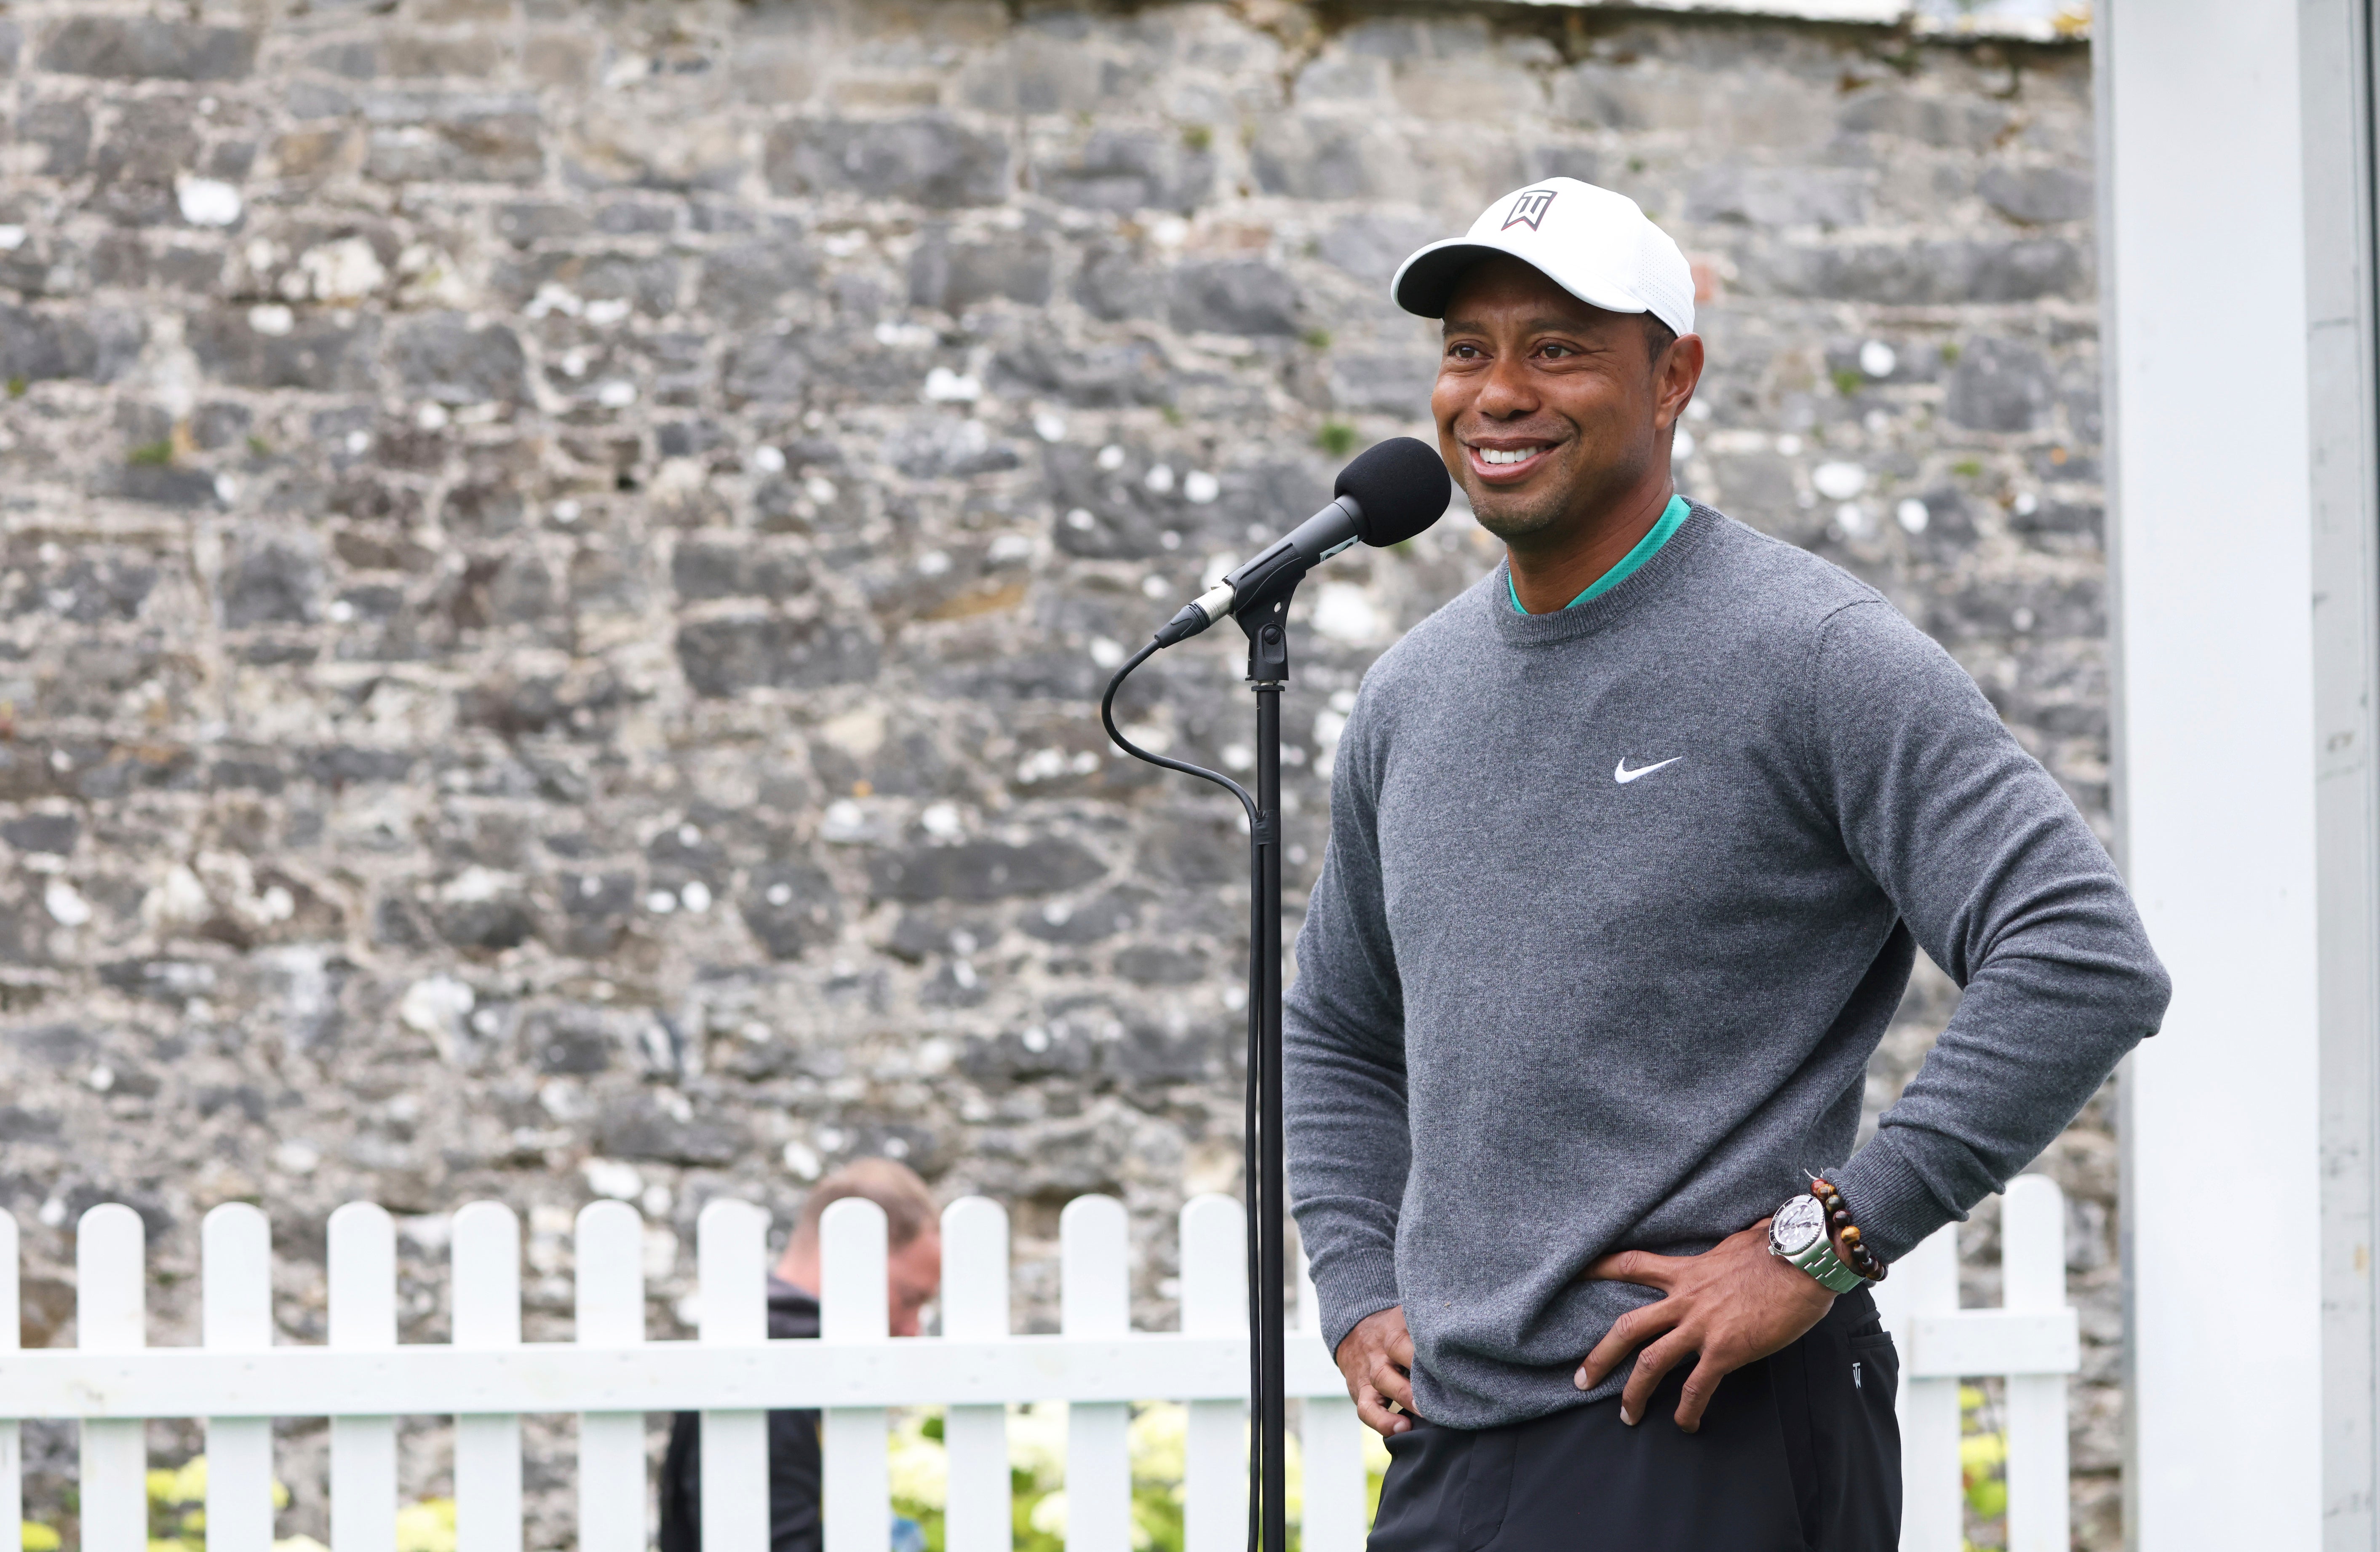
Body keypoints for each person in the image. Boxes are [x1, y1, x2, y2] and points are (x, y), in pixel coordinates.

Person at [1283, 177, 2169, 1551]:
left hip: (1704, 1420)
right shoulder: (1411, 693)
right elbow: (1339, 1026)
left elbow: (2081, 955)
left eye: (1559, 347)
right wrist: (1354, 1280)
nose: (1496, 391)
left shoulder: (1812, 653)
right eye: (1467, 347)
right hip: (1452, 1445)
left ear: (1672, 377)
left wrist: (1822, 1245)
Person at [657, 1158, 943, 1552]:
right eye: (909, 1299)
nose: (912, 1330)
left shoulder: (772, 1345)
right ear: (849, 1253)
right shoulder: (778, 1365)